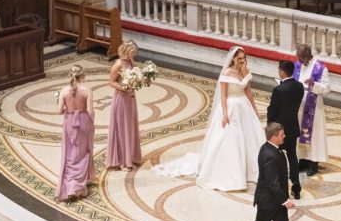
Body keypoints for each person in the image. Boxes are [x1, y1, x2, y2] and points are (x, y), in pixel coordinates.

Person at [152, 46, 266, 191]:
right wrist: (225, 114)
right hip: (230, 107)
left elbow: (248, 91)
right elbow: (223, 96)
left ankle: (251, 171)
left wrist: (254, 108)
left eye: (244, 58)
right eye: (240, 58)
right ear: (233, 58)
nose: (243, 60)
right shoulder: (227, 73)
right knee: (229, 139)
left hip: (244, 107)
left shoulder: (245, 71)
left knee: (250, 138)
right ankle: (230, 174)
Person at [235, 122, 313, 221]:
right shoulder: (269, 155)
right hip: (269, 201)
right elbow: (272, 183)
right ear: (274, 137)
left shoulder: (271, 149)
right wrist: (285, 200)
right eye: (282, 135)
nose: (284, 136)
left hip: (275, 201)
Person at [56, 65, 95, 201]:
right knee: (83, 152)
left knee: (70, 153)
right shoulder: (87, 90)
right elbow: (90, 110)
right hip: (83, 121)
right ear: (83, 76)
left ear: (69, 75)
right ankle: (78, 186)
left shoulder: (64, 90)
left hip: (69, 121)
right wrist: (92, 122)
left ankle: (71, 184)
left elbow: (59, 111)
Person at [266, 59, 303, 199]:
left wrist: (269, 124)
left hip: (279, 130)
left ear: (281, 71)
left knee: (277, 159)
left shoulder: (279, 89)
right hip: (292, 127)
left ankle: (280, 189)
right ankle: (296, 186)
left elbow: (273, 110)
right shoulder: (299, 86)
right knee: (293, 157)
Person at [293, 44, 329, 177]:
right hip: (298, 105)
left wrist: (314, 85)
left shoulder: (321, 68)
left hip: (313, 106)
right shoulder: (297, 65)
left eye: (300, 57)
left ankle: (313, 163)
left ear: (307, 56)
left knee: (313, 135)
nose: (298, 60)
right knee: (299, 133)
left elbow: (327, 88)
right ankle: (302, 160)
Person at [106, 39, 142, 171]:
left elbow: (133, 75)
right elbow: (111, 82)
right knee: (122, 128)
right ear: (126, 51)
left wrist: (139, 81)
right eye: (132, 52)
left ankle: (131, 157)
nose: (134, 54)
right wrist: (124, 88)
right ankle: (121, 160)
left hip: (131, 98)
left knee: (130, 127)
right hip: (121, 98)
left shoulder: (130, 61)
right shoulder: (118, 64)